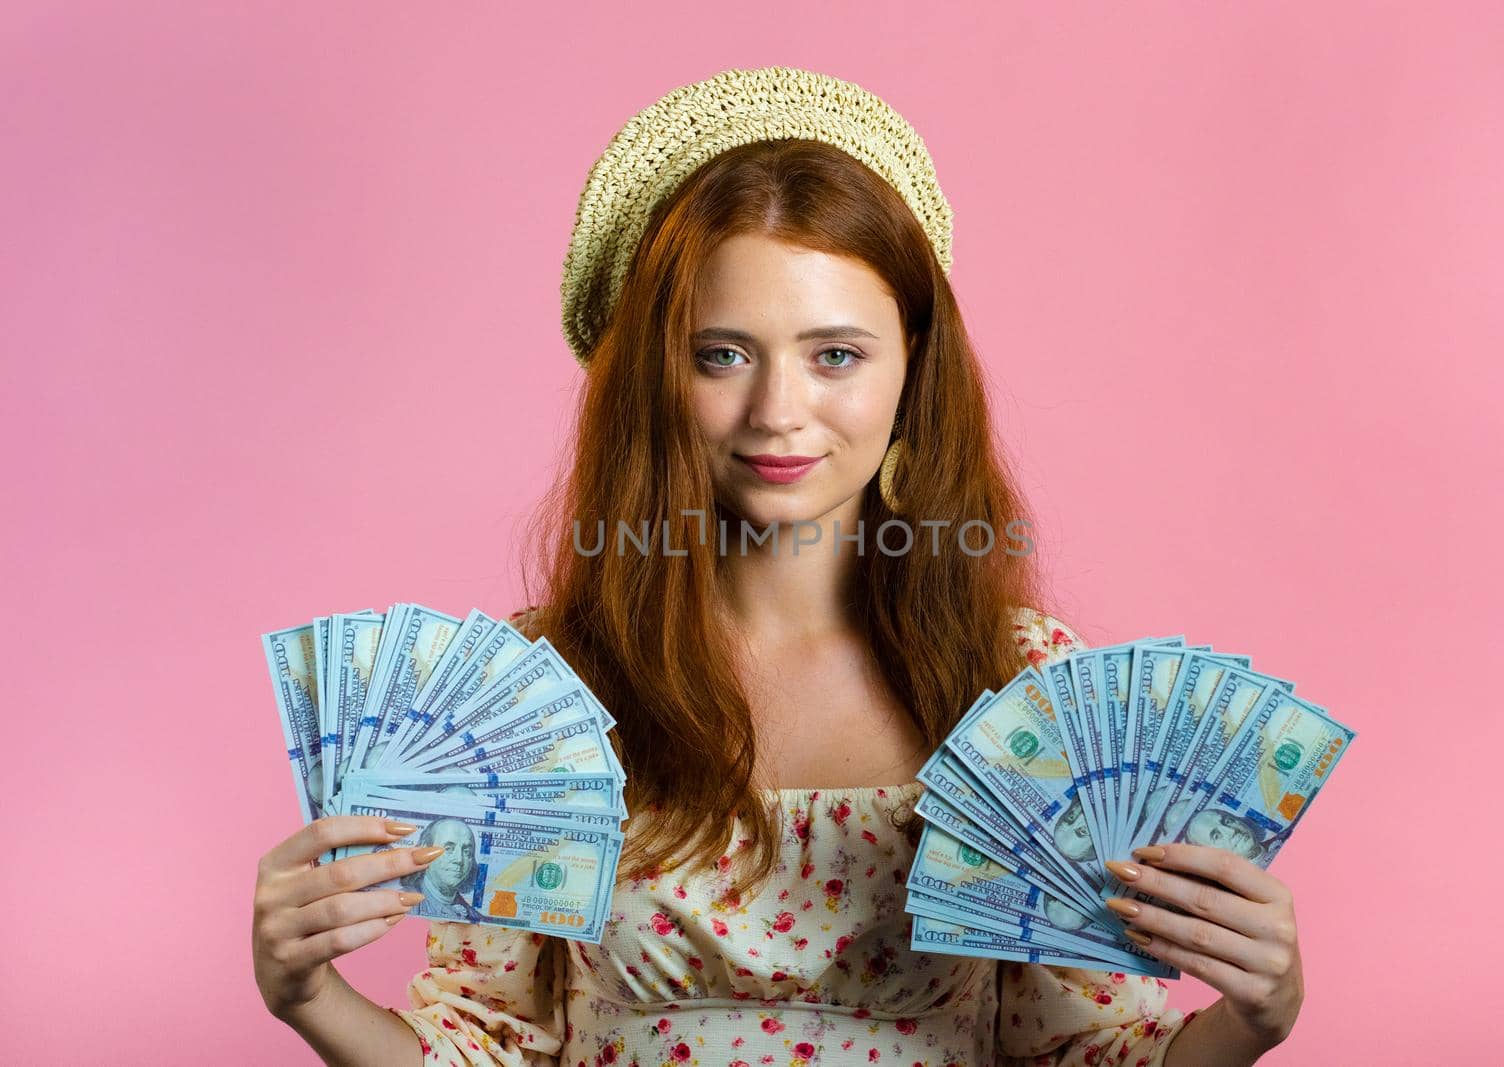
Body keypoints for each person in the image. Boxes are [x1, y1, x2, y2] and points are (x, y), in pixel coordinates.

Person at [252, 66, 1305, 1065]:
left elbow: (1081, 1053)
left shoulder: (1021, 685)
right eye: (722, 353)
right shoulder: (540, 687)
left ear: (912, 371)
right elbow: (488, 1045)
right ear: (654, 381)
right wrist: (312, 996)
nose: (777, 411)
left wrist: (1252, 1017)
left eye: (834, 353)